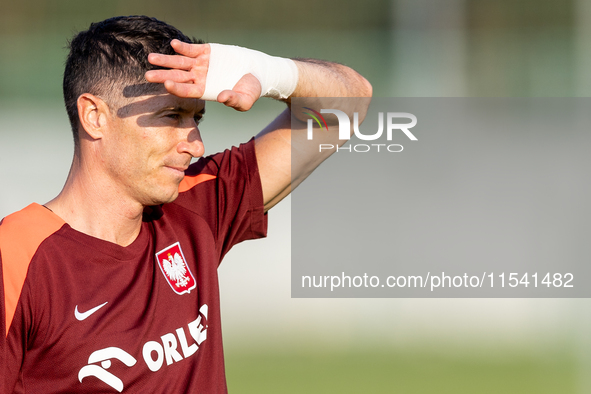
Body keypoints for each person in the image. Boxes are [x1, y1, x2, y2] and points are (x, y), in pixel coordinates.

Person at [0, 15, 371, 393]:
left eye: (196, 118)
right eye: (172, 116)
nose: (195, 144)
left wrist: (264, 69)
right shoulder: (15, 257)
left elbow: (348, 107)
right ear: (95, 117)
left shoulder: (195, 202)